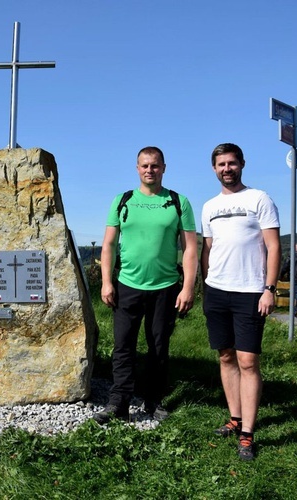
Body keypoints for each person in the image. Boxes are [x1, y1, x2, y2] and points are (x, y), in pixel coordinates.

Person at [93, 146, 198, 424]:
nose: (149, 170)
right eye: (144, 166)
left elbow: (189, 249)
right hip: (127, 284)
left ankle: (154, 400)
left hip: (165, 287)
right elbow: (109, 244)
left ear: (164, 167)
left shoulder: (178, 202)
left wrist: (188, 286)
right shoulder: (123, 200)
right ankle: (119, 402)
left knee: (159, 347)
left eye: (154, 165)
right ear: (137, 168)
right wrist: (106, 282)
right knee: (123, 346)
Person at [200, 143, 281, 461]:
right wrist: (206, 288)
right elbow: (208, 250)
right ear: (214, 168)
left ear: (242, 165)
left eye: (232, 163)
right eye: (221, 164)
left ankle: (247, 434)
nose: (226, 169)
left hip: (250, 291)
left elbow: (273, 247)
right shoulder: (208, 207)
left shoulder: (259, 198)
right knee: (225, 357)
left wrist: (270, 289)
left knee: (248, 361)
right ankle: (234, 418)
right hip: (217, 291)